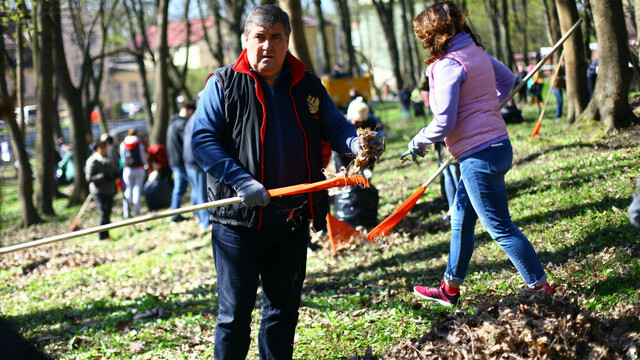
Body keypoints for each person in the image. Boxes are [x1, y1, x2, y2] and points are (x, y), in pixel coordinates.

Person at [191, 5, 384, 359]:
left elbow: (336, 126)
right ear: (245, 41)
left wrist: (357, 142)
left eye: (276, 38)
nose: (268, 46)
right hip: (238, 225)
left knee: (282, 314)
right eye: (260, 38)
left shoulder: (307, 83)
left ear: (287, 40)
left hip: (292, 221)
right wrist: (240, 181)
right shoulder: (222, 84)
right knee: (234, 319)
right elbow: (203, 141)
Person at [406, 1, 553, 307]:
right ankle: (450, 287)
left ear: (434, 35)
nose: (423, 44)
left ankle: (541, 288)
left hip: (478, 155)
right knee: (460, 217)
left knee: (500, 227)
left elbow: (444, 121)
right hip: (497, 146)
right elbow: (508, 80)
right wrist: (488, 108)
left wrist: (418, 141)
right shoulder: (476, 52)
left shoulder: (448, 65)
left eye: (424, 37)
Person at [183, 102, 210, 230]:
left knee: (195, 190)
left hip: (188, 159)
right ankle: (205, 221)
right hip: (195, 160)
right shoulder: (199, 117)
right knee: (201, 192)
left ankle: (198, 216)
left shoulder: (191, 119)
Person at [85, 134, 119, 240]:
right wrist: (102, 177)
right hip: (99, 191)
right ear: (97, 149)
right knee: (104, 212)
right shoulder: (92, 161)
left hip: (109, 190)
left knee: (108, 213)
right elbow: (89, 178)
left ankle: (106, 235)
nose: (105, 149)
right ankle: (101, 235)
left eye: (105, 147)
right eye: (102, 147)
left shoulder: (107, 159)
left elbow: (111, 171)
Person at [167, 102, 196, 222]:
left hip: (174, 160)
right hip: (181, 161)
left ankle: (176, 213)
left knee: (179, 188)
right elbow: (188, 143)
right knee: (195, 185)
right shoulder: (182, 124)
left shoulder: (173, 123)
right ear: (189, 111)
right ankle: (198, 212)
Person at [119, 128, 147, 218]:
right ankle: (136, 210)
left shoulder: (123, 144)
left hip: (128, 169)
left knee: (128, 190)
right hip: (139, 169)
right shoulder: (139, 143)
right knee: (137, 190)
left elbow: (122, 157)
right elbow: (143, 157)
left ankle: (126, 212)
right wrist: (145, 164)